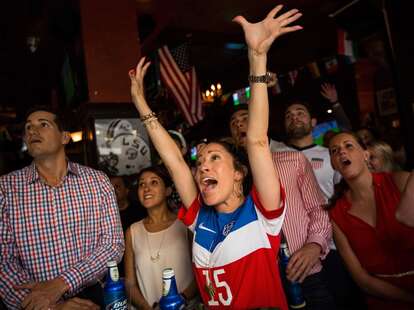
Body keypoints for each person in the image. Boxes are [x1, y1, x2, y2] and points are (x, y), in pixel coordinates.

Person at [128, 4, 303, 308]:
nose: (202, 166)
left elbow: (258, 141)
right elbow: (173, 160)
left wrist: (257, 58)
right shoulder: (200, 216)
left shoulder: (262, 213)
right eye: (200, 162)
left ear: (239, 173)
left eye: (214, 159)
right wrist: (141, 105)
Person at [0, 107, 124, 309]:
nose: (32, 131)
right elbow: (3, 263)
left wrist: (62, 283)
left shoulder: (97, 181)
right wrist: (52, 306)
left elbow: (113, 244)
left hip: (95, 297)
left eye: (43, 124)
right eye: (28, 127)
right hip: (36, 303)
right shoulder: (6, 189)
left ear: (64, 137)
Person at [230, 105, 335, 309]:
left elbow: (318, 208)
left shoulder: (293, 159)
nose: (239, 124)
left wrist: (314, 245)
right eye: (233, 123)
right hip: (264, 283)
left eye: (244, 118)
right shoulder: (232, 179)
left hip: (307, 274)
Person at [328, 131, 414, 309]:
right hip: (383, 301)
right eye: (334, 151)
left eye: (348, 146)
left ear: (365, 154)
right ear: (333, 164)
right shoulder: (336, 214)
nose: (341, 152)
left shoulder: (400, 181)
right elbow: (362, 279)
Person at [124, 166, 196, 309]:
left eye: (154, 182)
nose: (146, 188)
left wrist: (179, 301)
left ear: (168, 190)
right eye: (141, 184)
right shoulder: (133, 231)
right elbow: (130, 284)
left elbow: (200, 274)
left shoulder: (185, 225)